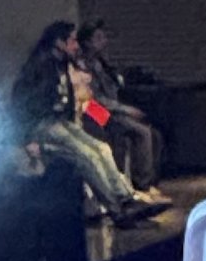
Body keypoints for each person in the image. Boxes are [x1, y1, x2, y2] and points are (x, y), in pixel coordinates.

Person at [9, 22, 163, 225]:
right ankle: (125, 199)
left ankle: (130, 195)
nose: (103, 42)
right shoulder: (50, 65)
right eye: (98, 38)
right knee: (108, 140)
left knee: (124, 138)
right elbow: (89, 99)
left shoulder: (91, 63)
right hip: (84, 111)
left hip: (85, 111)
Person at [78, 16, 163, 194]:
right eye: (98, 38)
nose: (104, 42)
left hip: (110, 107)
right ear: (86, 42)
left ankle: (147, 179)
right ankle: (142, 185)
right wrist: (123, 110)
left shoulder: (101, 62)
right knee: (140, 132)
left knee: (153, 133)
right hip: (94, 109)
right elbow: (95, 99)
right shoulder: (83, 65)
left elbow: (113, 88)